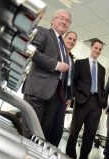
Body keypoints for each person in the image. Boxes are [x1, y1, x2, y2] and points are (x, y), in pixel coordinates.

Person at [21, 9, 71, 140]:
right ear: (53, 20)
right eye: (61, 18)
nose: (64, 21)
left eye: (67, 20)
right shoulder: (43, 32)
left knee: (42, 134)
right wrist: (56, 65)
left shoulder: (63, 46)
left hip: (54, 96)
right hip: (38, 90)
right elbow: (32, 52)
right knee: (31, 131)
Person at [65, 39, 106, 159]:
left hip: (96, 104)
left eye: (100, 49)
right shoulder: (80, 63)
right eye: (96, 48)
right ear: (91, 47)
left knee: (91, 133)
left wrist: (102, 102)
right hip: (82, 100)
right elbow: (73, 80)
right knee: (75, 130)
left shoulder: (102, 69)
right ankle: (70, 155)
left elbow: (101, 87)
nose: (97, 51)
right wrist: (75, 95)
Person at [48, 31, 78, 147]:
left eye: (74, 40)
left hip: (63, 96)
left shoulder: (71, 59)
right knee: (48, 124)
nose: (71, 41)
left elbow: (71, 80)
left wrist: (70, 97)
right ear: (63, 39)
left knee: (58, 129)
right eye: (69, 38)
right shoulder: (57, 54)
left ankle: (52, 151)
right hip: (52, 92)